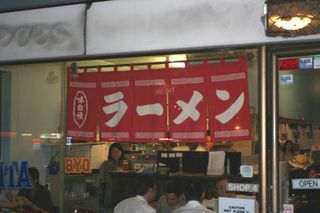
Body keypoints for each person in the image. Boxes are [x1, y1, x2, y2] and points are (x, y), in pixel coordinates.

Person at [99, 143, 131, 212]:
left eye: (118, 151)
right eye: (113, 152)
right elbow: (109, 181)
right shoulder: (107, 164)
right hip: (111, 194)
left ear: (121, 152)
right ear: (110, 153)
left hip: (125, 194)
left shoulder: (126, 163)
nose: (116, 154)